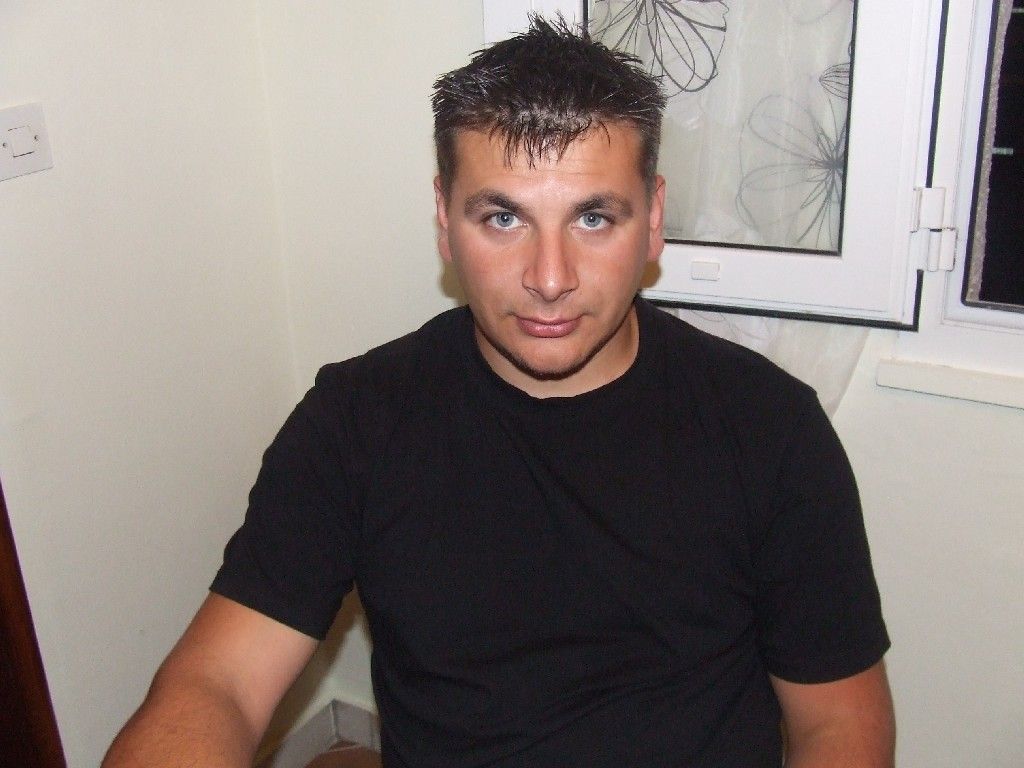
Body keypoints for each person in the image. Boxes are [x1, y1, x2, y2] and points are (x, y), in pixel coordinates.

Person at [103, 17, 894, 768]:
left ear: (653, 220)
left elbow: (837, 722)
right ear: (444, 219)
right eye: (503, 219)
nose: (549, 278)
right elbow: (218, 683)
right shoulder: (356, 422)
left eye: (593, 218)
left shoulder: (769, 428)